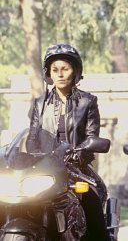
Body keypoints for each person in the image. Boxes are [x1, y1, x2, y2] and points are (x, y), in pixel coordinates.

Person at [28, 43, 109, 241]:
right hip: (44, 168)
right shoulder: (39, 104)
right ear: (49, 74)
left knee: (93, 204)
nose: (60, 74)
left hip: (77, 169)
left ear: (75, 71)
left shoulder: (88, 102)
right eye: (55, 70)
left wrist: (76, 155)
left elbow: (92, 138)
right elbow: (32, 138)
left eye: (65, 69)